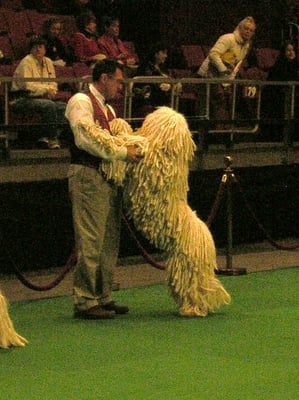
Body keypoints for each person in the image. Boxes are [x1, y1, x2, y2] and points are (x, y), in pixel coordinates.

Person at [65, 59, 143, 320]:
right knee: (90, 239)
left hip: (107, 178)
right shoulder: (81, 101)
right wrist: (122, 152)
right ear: (105, 78)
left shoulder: (107, 110)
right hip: (88, 175)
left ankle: (103, 295)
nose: (120, 87)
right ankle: (86, 300)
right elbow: (85, 139)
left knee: (109, 239)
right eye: (118, 81)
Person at [196, 16, 256, 142]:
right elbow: (213, 54)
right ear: (239, 28)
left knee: (225, 108)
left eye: (251, 30)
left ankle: (222, 138)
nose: (248, 32)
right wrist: (223, 69)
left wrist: (229, 80)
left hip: (225, 80)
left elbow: (237, 63)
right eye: (246, 29)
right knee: (212, 110)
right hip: (208, 77)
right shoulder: (228, 38)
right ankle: (210, 139)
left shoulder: (246, 45)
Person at [10, 35, 67, 149]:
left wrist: (51, 90)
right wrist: (46, 89)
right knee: (48, 105)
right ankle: (52, 139)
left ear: (45, 49)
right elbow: (28, 86)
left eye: (40, 47)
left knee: (64, 106)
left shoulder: (48, 62)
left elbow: (53, 83)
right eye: (35, 47)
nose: (38, 49)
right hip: (21, 99)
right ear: (31, 49)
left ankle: (44, 136)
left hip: (42, 98)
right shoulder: (26, 62)